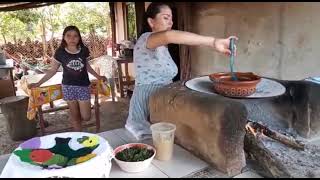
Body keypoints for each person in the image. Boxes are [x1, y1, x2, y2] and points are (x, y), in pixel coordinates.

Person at [125, 2, 238, 140]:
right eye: (166, 17)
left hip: (162, 102)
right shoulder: (146, 39)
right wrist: (213, 42)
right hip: (147, 105)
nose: (171, 22)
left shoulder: (162, 48)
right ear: (151, 21)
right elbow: (169, 35)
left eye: (171, 19)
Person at [28, 25, 107, 132]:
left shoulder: (84, 50)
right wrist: (38, 83)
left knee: (86, 117)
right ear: (64, 37)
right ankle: (79, 139)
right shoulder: (60, 52)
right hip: (68, 87)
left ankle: (81, 117)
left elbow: (87, 66)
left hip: (83, 86)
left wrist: (99, 76)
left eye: (75, 36)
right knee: (75, 117)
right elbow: (52, 71)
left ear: (79, 38)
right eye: (68, 36)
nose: (72, 38)